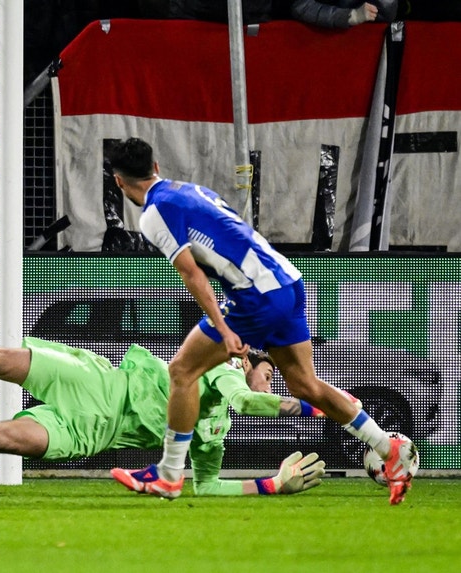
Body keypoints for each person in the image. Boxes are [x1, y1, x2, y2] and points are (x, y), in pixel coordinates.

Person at [106, 137, 418, 504]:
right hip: (288, 280)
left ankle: (169, 475)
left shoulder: (154, 213)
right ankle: (387, 447)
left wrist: (224, 329)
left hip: (255, 296)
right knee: (304, 384)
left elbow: (192, 275)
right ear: (155, 167)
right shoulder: (191, 191)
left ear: (119, 181)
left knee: (181, 372)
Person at [0, 311, 329, 497]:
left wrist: (269, 485)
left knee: (7, 439)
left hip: (90, 434)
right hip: (95, 383)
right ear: (254, 362)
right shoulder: (223, 369)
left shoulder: (212, 435)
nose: (275, 382)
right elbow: (246, 399)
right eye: (275, 374)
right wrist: (310, 405)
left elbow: (206, 487)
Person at [288, 0, 397, 28]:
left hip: (362, 49)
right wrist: (350, 16)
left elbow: (387, 11)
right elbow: (301, 7)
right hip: (317, 43)